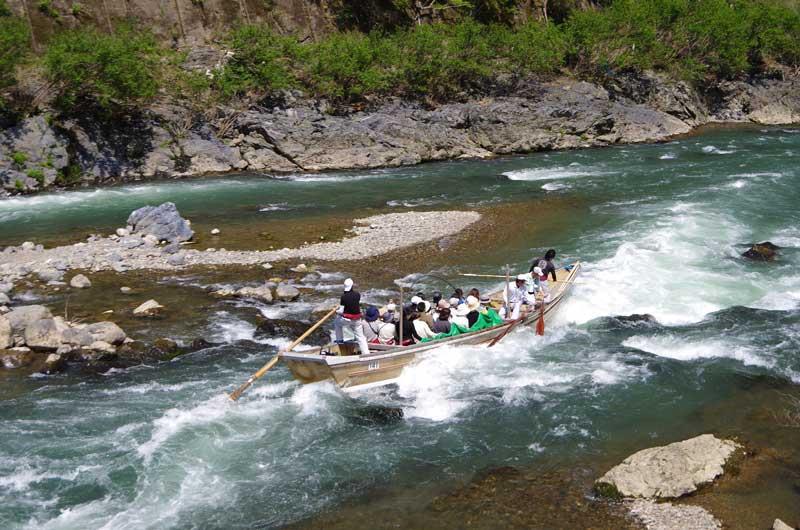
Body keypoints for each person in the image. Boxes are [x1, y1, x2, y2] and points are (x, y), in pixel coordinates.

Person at [334, 278, 371, 356]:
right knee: (360, 337)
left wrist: (336, 311)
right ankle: (366, 353)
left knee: (337, 323)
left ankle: (339, 340)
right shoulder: (357, 295)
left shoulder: (343, 297)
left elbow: (341, 311)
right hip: (357, 319)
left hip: (347, 319)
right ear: (352, 286)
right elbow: (353, 304)